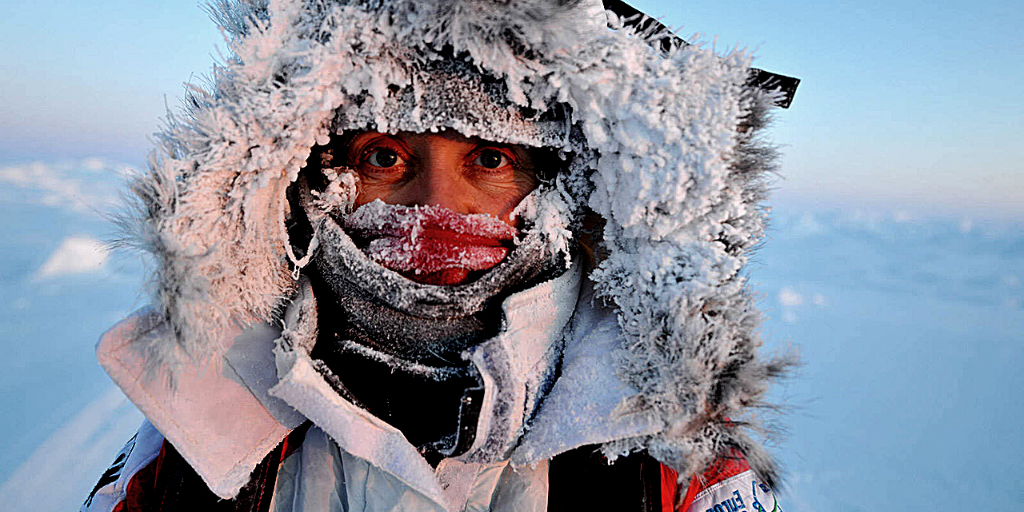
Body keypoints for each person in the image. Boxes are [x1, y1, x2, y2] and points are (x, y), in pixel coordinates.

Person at [82, 0, 798, 510]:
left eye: (489, 158)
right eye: (386, 156)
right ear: (308, 175)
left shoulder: (672, 454)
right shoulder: (206, 425)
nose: (438, 211)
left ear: (563, 188)